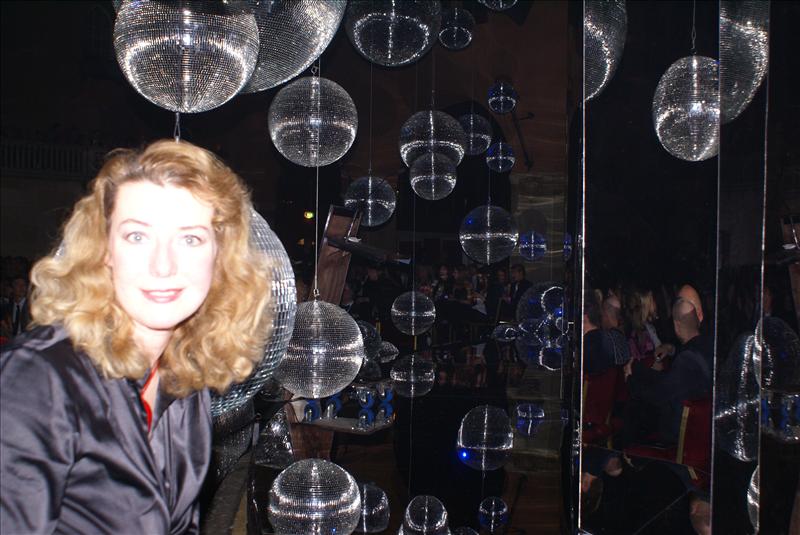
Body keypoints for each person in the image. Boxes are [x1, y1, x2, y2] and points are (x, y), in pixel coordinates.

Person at [0, 140, 273, 534]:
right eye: (137, 236)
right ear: (104, 250)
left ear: (220, 257)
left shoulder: (183, 377)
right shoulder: (39, 377)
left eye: (190, 239)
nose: (163, 266)